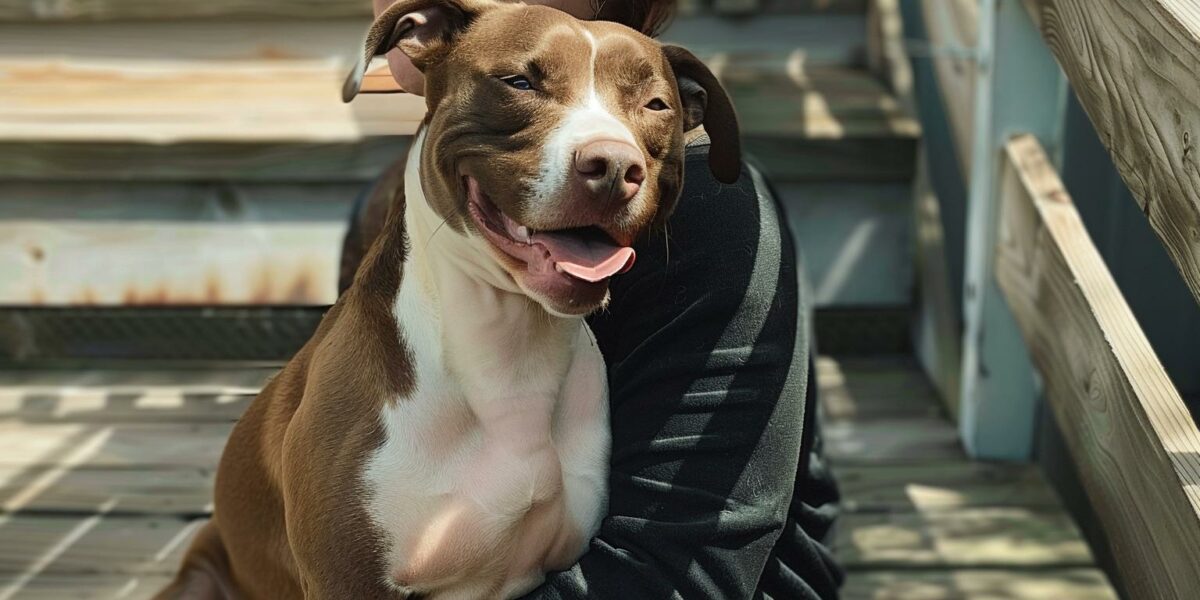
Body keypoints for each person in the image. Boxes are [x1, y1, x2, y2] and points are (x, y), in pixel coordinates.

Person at [339, 0, 844, 597]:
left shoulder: (712, 217)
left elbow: (680, 575)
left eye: (655, 104)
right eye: (520, 83)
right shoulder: (414, 200)